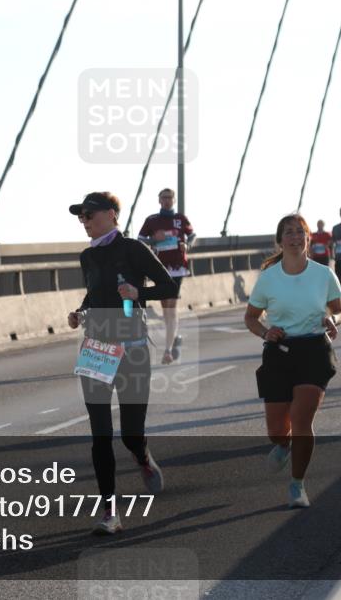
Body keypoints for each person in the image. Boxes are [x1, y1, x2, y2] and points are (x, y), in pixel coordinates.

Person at [68, 192, 177, 535]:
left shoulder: (133, 249)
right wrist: (80, 311)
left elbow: (168, 285)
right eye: (80, 216)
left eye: (89, 214)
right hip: (96, 347)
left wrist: (137, 294)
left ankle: (142, 457)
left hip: (132, 349)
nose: (84, 220)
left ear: (112, 215)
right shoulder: (87, 256)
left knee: (131, 434)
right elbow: (94, 292)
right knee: (100, 435)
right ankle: (110, 511)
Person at [243, 214, 341, 509]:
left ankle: (298, 484)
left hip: (314, 350)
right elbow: (250, 318)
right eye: (289, 233)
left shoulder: (324, 274)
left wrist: (333, 319)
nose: (295, 238)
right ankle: (283, 444)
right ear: (280, 240)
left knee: (302, 421)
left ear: (308, 238)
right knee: (277, 430)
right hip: (279, 352)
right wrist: (266, 331)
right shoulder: (269, 278)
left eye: (300, 232)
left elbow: (340, 309)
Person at [137, 188, 196, 364]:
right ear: (159, 200)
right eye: (164, 197)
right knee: (166, 309)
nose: (167, 200)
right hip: (159, 267)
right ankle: (175, 336)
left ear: (174, 200)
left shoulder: (180, 219)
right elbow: (140, 238)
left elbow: (192, 234)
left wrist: (187, 244)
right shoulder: (152, 220)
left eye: (170, 197)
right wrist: (154, 240)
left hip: (178, 266)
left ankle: (168, 350)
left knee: (171, 306)